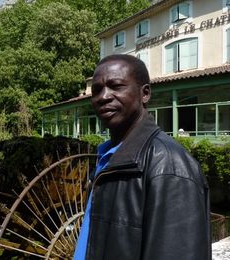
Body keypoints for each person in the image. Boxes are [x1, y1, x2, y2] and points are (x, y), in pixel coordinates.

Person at [74, 54, 211, 259]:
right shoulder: (110, 156)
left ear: (145, 93)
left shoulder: (168, 165)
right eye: (97, 90)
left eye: (116, 86)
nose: (103, 96)